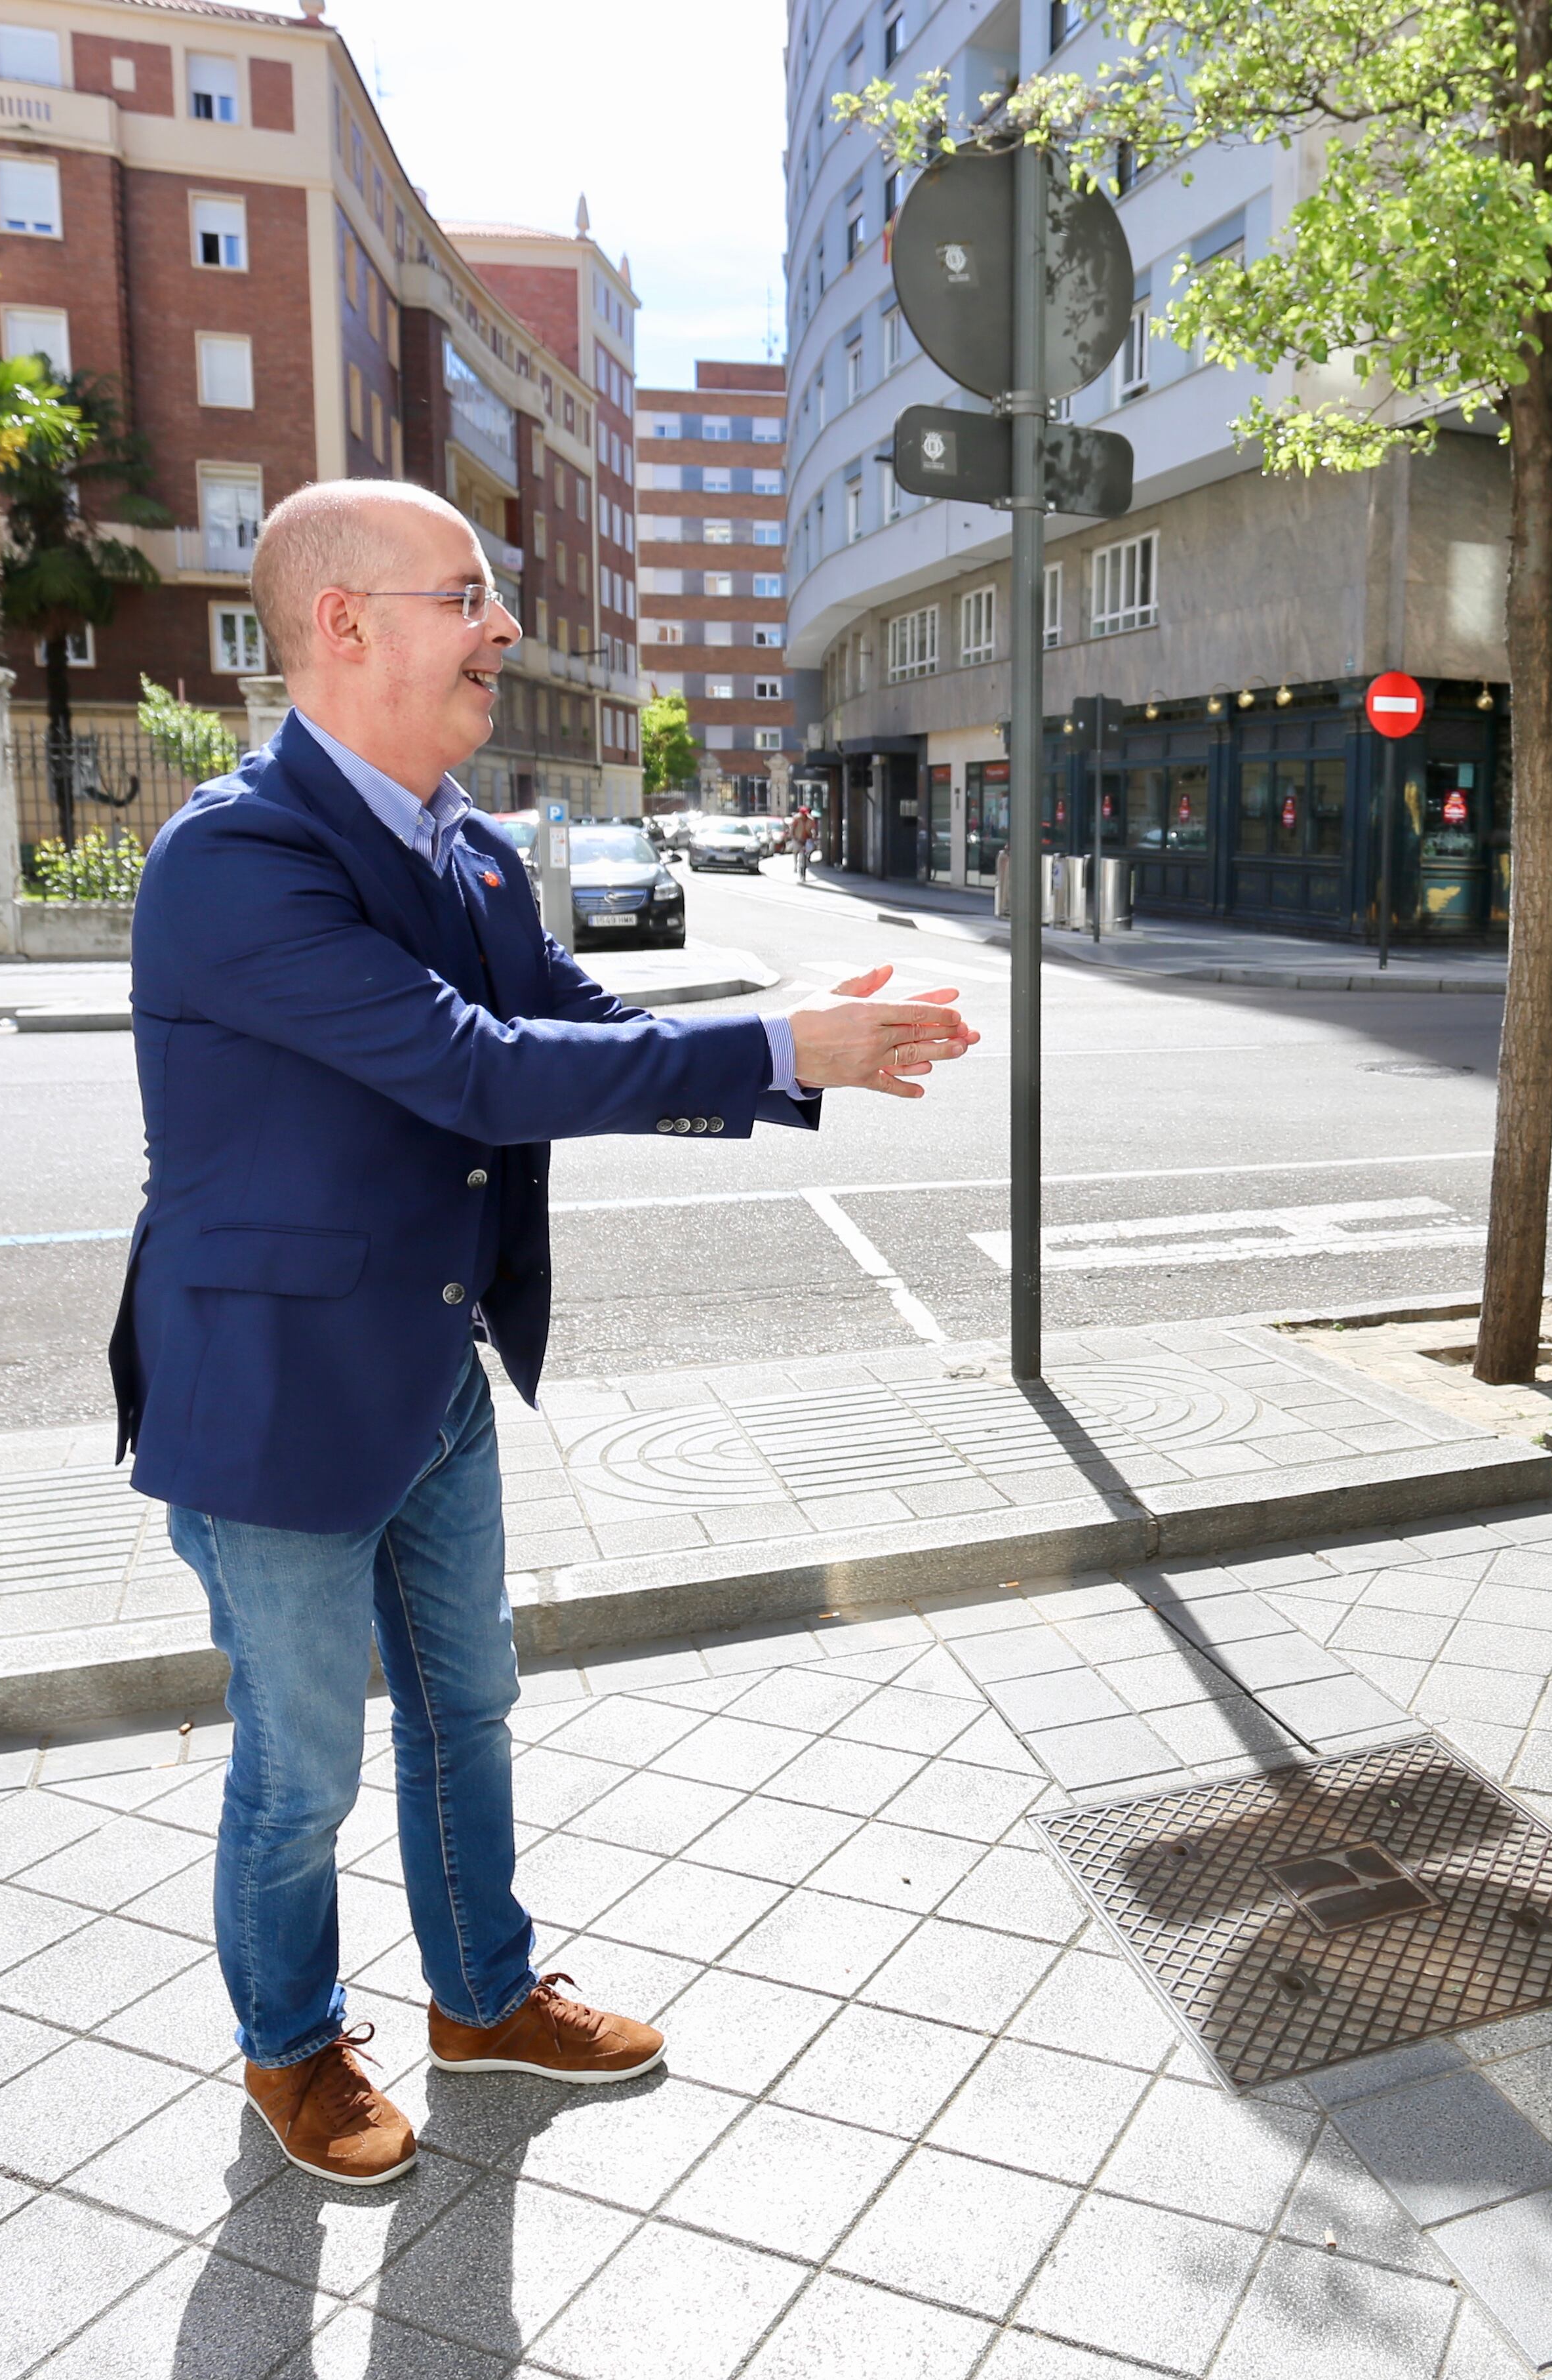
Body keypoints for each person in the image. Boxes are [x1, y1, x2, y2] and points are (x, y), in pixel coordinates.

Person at [111, 480, 977, 2181]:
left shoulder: (466, 841)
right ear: (345, 625)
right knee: (302, 1761)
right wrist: (778, 1048)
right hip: (277, 1392)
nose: (505, 627)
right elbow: (472, 1068)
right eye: (468, 596)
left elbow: (566, 1020)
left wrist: (786, 1043)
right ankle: (291, 2043)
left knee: (469, 1700)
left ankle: (484, 1996)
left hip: (429, 1362)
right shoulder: (235, 857)